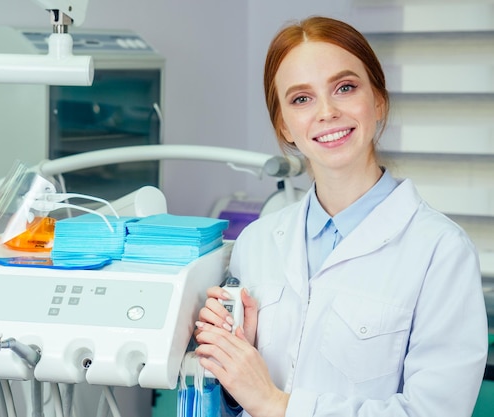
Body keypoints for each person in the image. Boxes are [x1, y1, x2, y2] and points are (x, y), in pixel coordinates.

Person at [194, 16, 489, 417]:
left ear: (378, 100)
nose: (327, 112)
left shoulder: (440, 251)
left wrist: (276, 404)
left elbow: (435, 411)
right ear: (284, 124)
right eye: (301, 98)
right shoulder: (257, 244)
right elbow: (242, 399)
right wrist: (235, 371)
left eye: (345, 88)